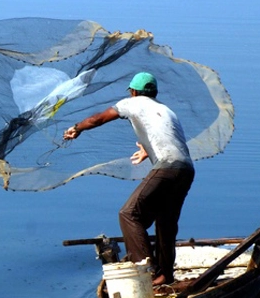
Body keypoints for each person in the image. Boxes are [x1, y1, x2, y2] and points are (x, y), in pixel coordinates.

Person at [63, 72, 195, 286]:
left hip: (167, 168)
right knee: (165, 222)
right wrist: (147, 149)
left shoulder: (132, 104)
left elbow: (97, 119)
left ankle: (146, 271)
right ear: (154, 92)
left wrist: (77, 128)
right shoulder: (166, 110)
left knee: (129, 214)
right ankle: (165, 276)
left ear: (133, 92)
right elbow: (167, 137)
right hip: (186, 169)